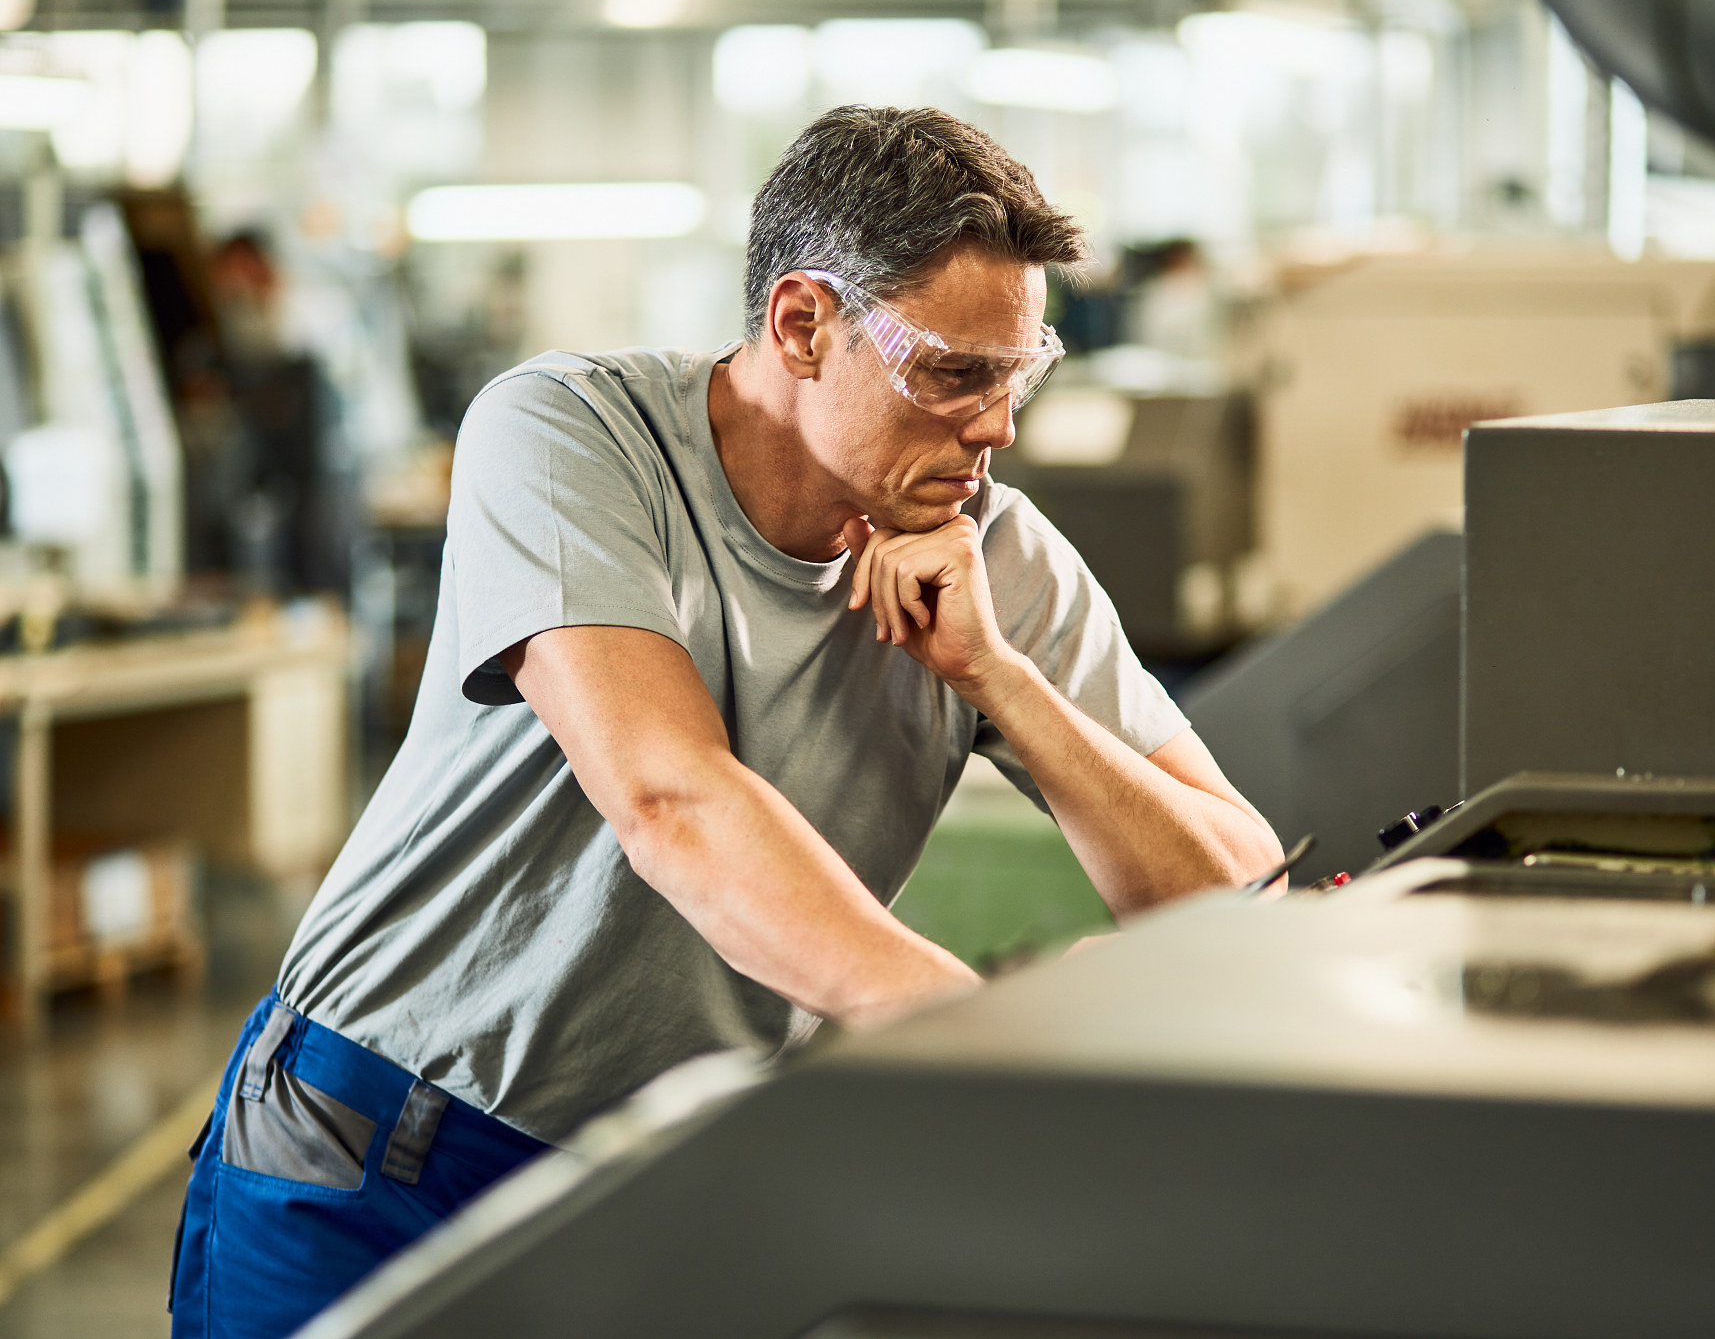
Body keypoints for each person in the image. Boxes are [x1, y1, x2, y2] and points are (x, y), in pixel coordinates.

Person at [169, 105, 1282, 1339]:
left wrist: (1001, 681)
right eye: (953, 374)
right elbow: (671, 801)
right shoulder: (570, 437)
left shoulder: (999, 556)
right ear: (802, 323)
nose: (995, 428)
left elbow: (1239, 889)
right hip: (383, 1144)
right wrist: (979, 1042)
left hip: (660, 1167)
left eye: (1017, 377)